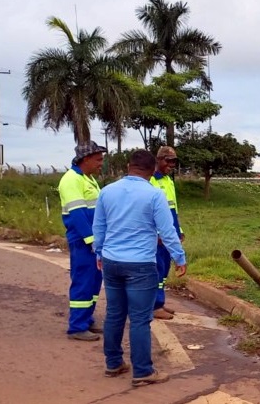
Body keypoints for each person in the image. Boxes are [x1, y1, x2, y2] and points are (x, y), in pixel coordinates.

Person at [93, 149, 187, 387]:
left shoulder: (107, 192)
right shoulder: (154, 195)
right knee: (139, 319)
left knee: (114, 314)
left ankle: (113, 364)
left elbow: (99, 226)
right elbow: (167, 232)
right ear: (151, 170)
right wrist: (179, 258)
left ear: (128, 166)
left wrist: (99, 252)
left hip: (112, 262)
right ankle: (143, 371)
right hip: (141, 264)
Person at [58, 140, 107, 341]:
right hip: (84, 241)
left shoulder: (87, 178)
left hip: (94, 241)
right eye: (98, 159)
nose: (101, 163)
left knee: (95, 282)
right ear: (85, 159)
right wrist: (92, 241)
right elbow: (77, 215)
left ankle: (86, 319)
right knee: (83, 281)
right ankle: (77, 326)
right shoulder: (71, 180)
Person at [149, 146, 183, 320]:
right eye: (168, 161)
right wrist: (157, 234)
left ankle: (159, 303)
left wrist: (179, 231)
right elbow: (150, 212)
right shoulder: (151, 181)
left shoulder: (169, 181)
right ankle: (154, 306)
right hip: (158, 237)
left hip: (169, 233)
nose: (172, 165)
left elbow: (173, 210)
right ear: (159, 160)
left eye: (174, 161)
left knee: (163, 270)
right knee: (156, 270)